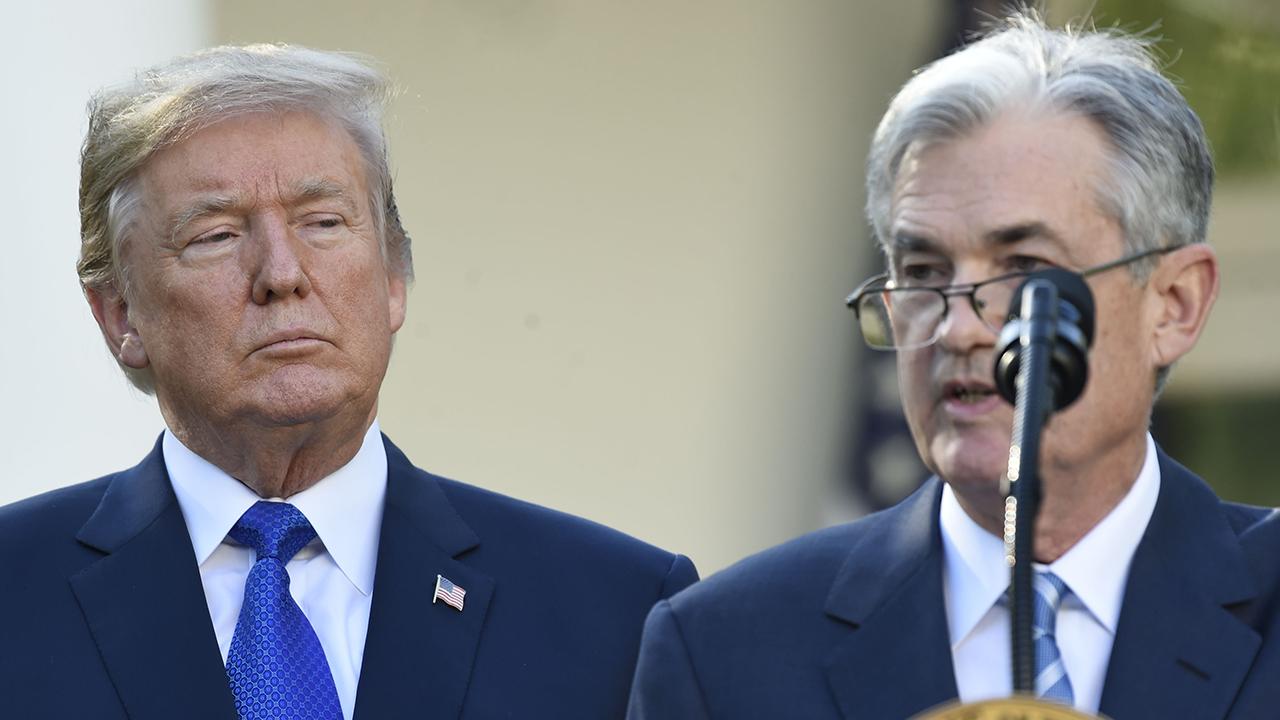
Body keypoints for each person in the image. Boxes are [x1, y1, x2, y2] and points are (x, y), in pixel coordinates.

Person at [0, 44, 696, 720]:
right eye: (214, 235)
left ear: (394, 278)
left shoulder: (623, 610)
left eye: (324, 222)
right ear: (121, 315)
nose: (281, 274)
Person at [628, 12, 1280, 719]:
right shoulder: (725, 648)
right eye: (922, 270)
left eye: (1027, 268)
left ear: (1174, 304)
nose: (958, 325)